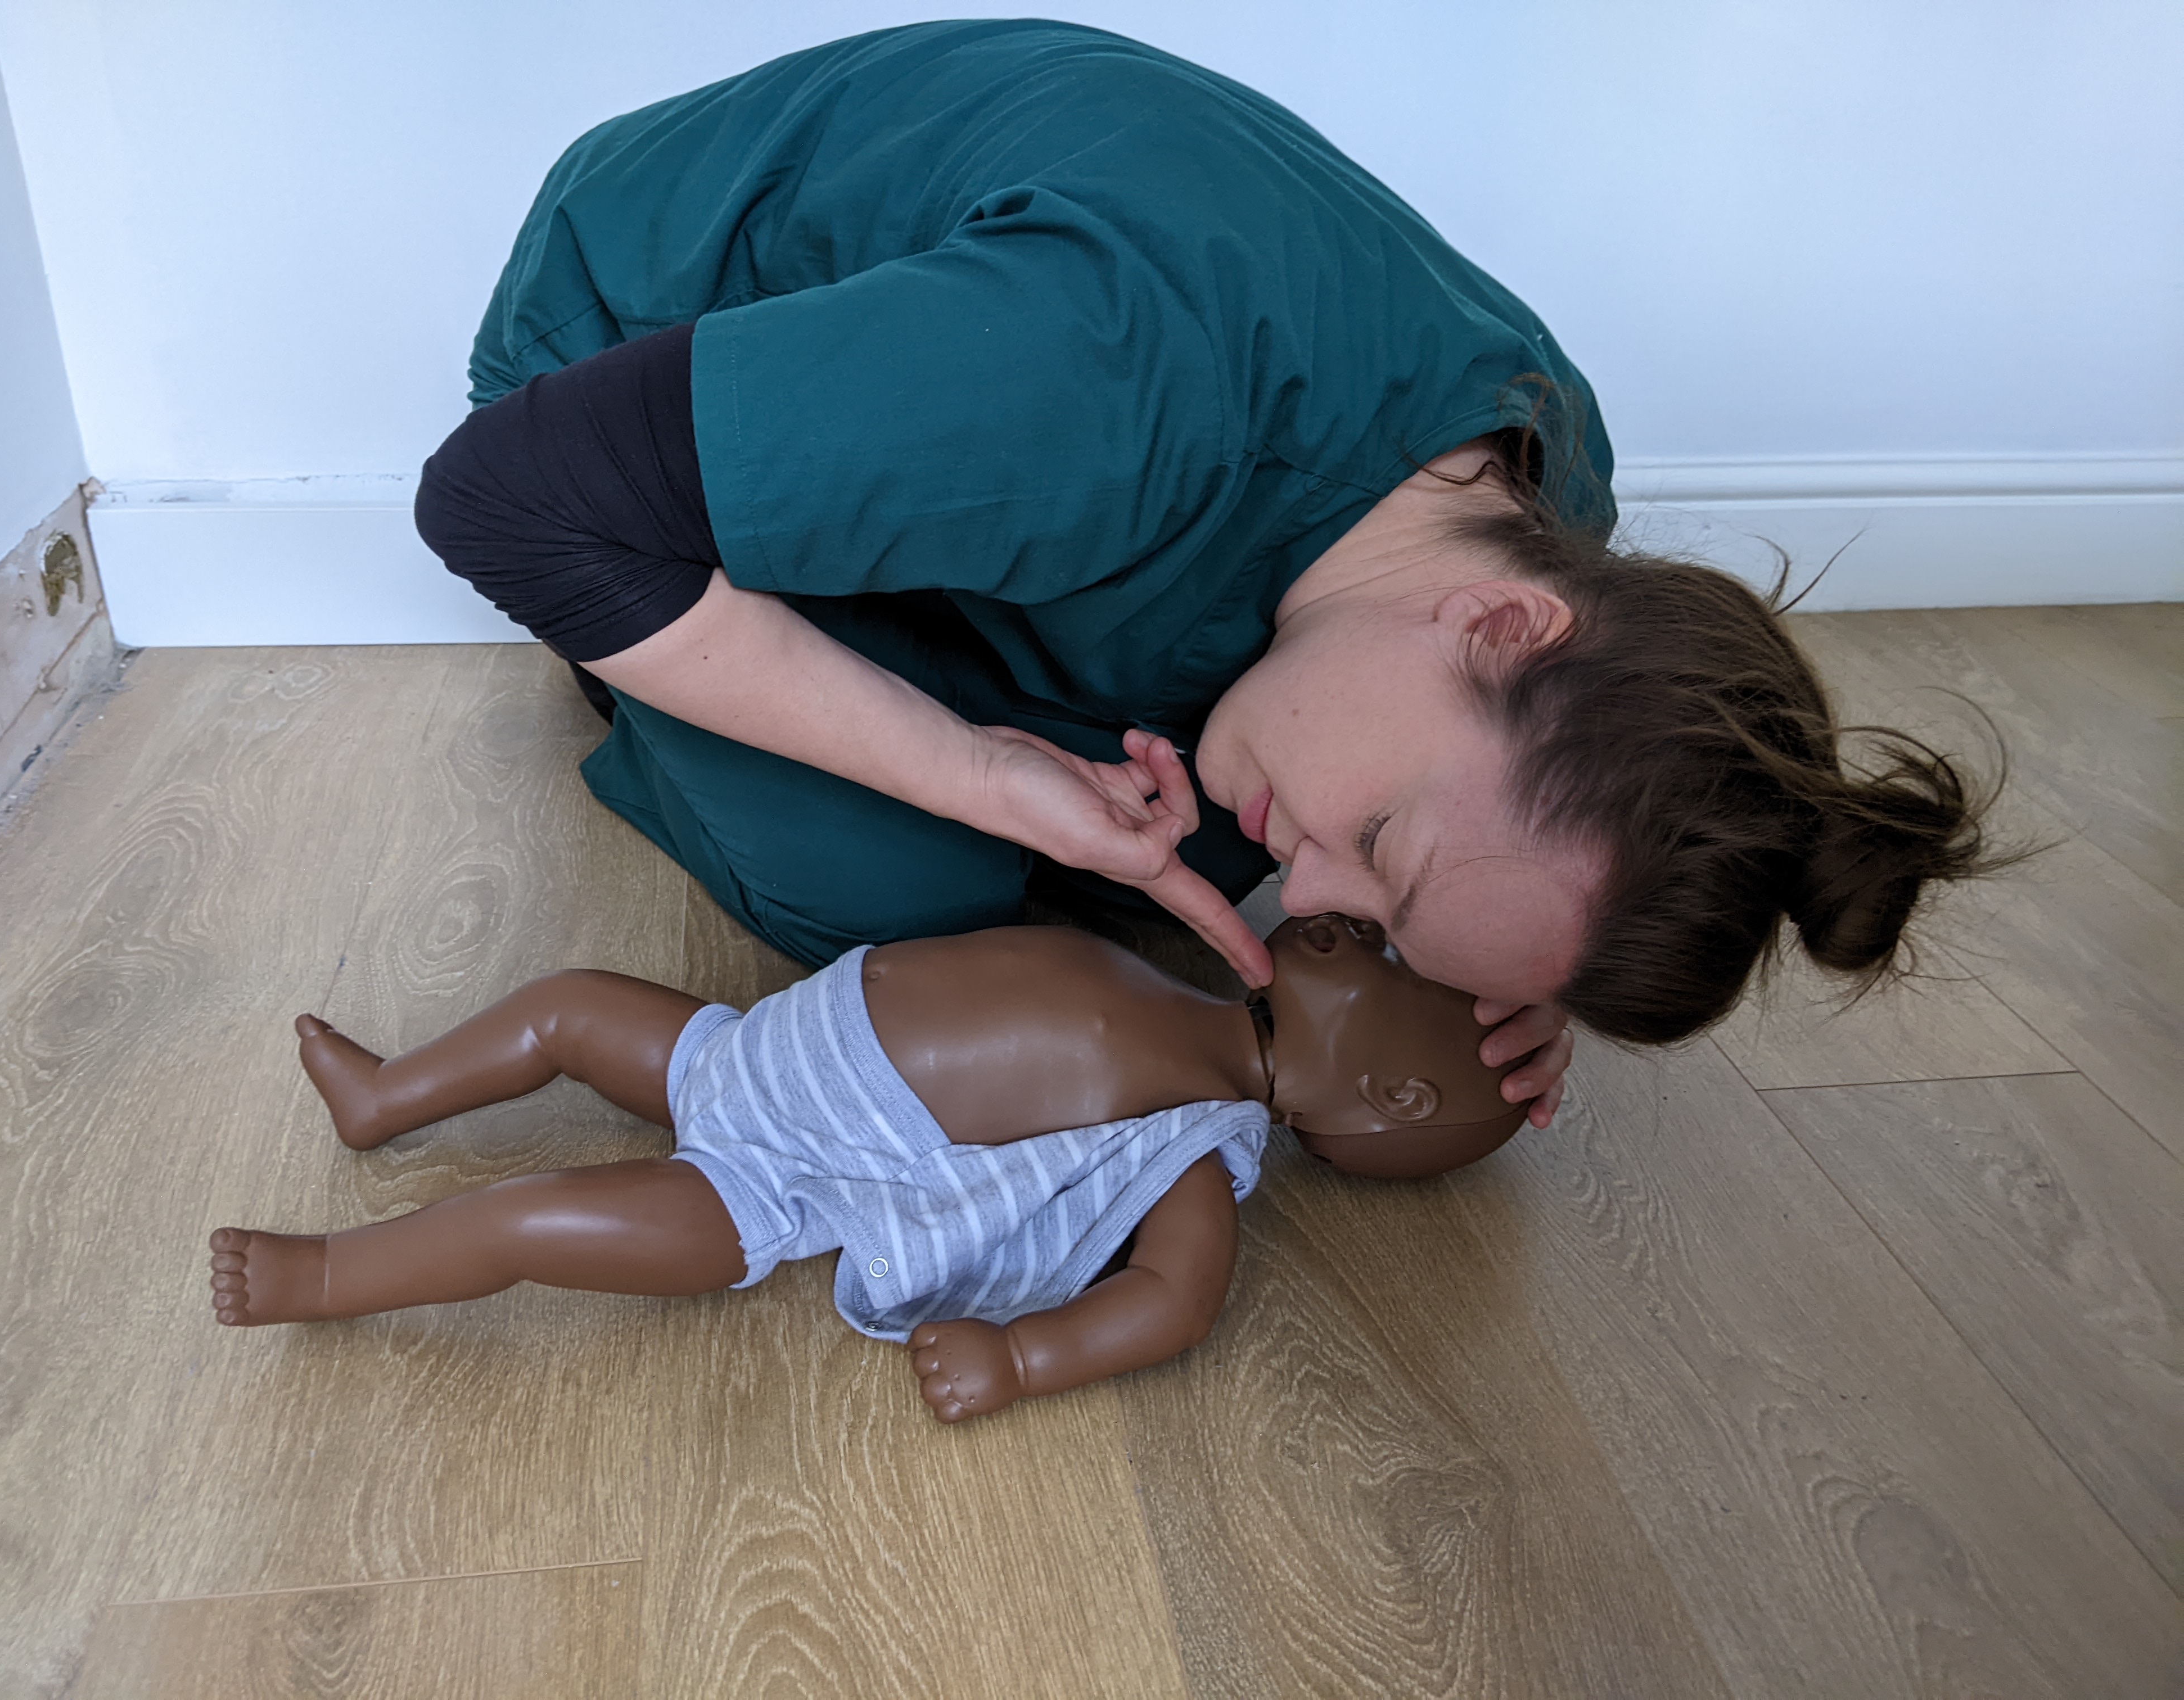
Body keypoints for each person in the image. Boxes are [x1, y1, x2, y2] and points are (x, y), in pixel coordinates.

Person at [413, 20, 1998, 1125]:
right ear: (1503, 629)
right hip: (620, 385)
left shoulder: (1540, 490)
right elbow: (498, 500)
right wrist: (964, 767)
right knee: (903, 898)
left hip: (1045, 443)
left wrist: (1484, 958)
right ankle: (662, 638)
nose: (1322, 897)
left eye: (1369, 902)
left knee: (1142, 848)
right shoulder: (1097, 390)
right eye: (1378, 847)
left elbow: (1456, 838)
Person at [206, 915, 1528, 1423]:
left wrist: (1021, 1359)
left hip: (778, 1182)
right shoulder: (1200, 978)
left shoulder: (1190, 1153)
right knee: (561, 1004)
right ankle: (385, 1099)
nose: (1383, 942)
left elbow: (1175, 1304)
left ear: (1394, 1095)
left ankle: (325, 1275)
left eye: (1401, 977)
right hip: (742, 1057)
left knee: (536, 1217)